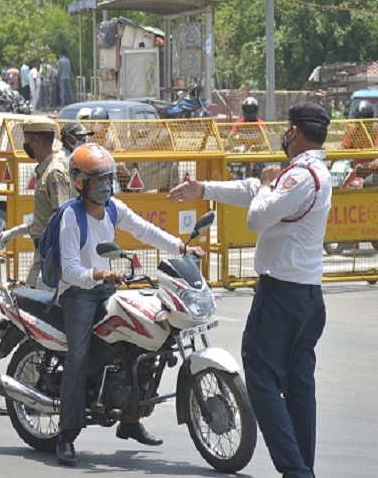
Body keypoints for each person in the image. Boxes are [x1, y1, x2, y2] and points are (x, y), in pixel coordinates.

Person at [167, 102, 332, 478]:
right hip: (306, 296)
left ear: (298, 132)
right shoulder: (309, 172)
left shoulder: (302, 175)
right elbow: (255, 192)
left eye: (289, 128)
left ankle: (296, 470)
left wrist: (262, 185)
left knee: (259, 379)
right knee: (298, 385)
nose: (285, 134)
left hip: (282, 296)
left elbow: (258, 213)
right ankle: (302, 467)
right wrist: (203, 188)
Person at [55, 143, 203, 467]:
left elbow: (145, 230)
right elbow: (69, 269)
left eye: (108, 178)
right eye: (98, 180)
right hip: (78, 293)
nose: (106, 185)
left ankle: (130, 419)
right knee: (78, 357)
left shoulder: (112, 208)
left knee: (144, 337)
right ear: (80, 183)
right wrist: (98, 273)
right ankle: (66, 435)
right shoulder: (71, 215)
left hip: (108, 286)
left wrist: (181, 248)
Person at [0, 117, 70, 287]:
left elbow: (62, 218)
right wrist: (16, 231)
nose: (25, 144)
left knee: (37, 304)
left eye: (26, 140)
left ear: (36, 140)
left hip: (51, 254)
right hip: (43, 252)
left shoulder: (53, 173)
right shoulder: (44, 171)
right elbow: (45, 219)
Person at [340, 100, 378, 187]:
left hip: (374, 173)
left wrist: (373, 163)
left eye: (364, 117)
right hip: (357, 172)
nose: (361, 121)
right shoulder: (354, 132)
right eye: (360, 117)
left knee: (369, 182)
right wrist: (330, 161)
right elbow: (343, 147)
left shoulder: (375, 131)